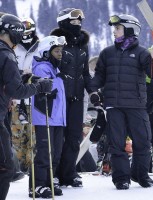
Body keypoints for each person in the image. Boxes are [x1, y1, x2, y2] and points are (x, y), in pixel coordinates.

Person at [89, 14, 153, 190]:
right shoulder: (107, 53)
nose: (114, 32)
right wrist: (93, 91)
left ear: (131, 29)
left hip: (137, 105)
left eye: (118, 28)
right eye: (114, 29)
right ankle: (121, 178)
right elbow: (99, 76)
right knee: (116, 144)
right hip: (114, 105)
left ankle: (141, 175)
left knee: (143, 142)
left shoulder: (142, 53)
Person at [0, 13, 52, 200]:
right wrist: (39, 86)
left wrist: (20, 77)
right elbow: (17, 91)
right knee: (6, 167)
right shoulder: (6, 54)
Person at [50, 8, 91, 187]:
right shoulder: (54, 43)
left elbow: (85, 74)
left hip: (76, 98)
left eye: (79, 22)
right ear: (64, 23)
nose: (78, 25)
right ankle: (55, 173)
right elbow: (47, 68)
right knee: (58, 138)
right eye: (74, 22)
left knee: (74, 137)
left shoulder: (82, 46)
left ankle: (69, 173)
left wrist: (94, 91)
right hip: (58, 98)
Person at [29, 35, 67, 198]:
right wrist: (47, 90)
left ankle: (50, 181)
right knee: (45, 152)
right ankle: (37, 185)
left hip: (57, 118)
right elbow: (41, 89)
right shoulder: (42, 68)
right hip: (45, 116)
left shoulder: (55, 69)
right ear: (46, 52)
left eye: (61, 51)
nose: (60, 54)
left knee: (56, 152)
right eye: (57, 51)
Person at [12, 17, 39, 173]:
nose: (25, 35)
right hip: (16, 99)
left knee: (33, 137)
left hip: (34, 100)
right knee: (17, 136)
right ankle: (16, 168)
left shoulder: (39, 48)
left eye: (28, 31)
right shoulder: (13, 48)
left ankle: (32, 170)